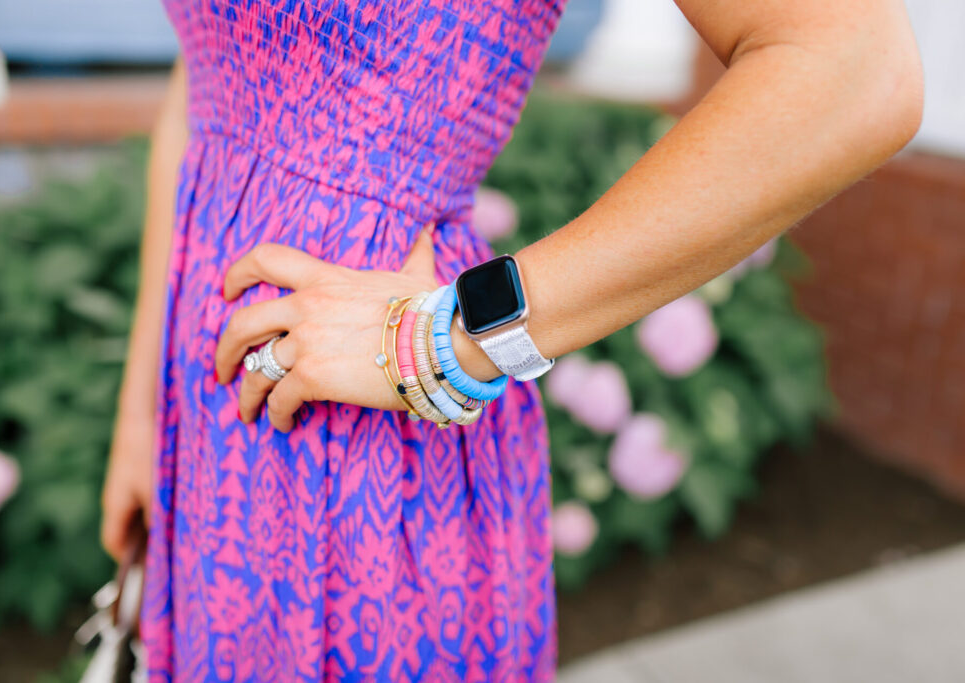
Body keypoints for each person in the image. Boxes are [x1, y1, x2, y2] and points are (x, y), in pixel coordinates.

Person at [100, 0, 923, 680]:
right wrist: (145, 406)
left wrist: (445, 342)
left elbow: (855, 72)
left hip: (360, 432)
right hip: (213, 416)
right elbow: (211, 74)